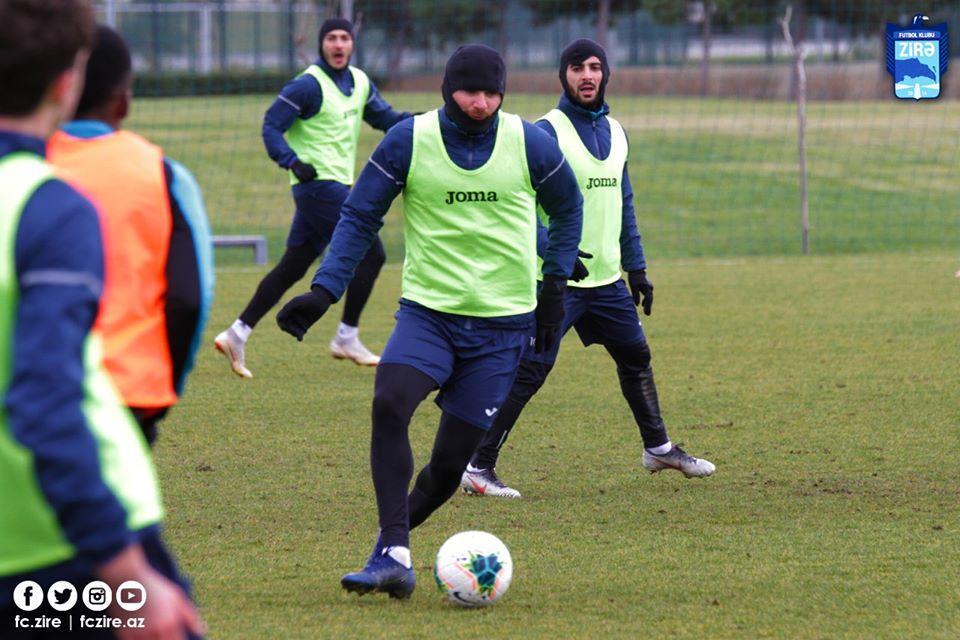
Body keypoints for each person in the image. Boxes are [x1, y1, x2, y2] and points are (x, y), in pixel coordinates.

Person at [275, 45, 583, 598]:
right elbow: (360, 216)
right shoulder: (409, 140)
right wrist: (324, 291)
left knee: (445, 471)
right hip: (429, 316)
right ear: (446, 89)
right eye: (470, 92)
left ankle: (389, 550)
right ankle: (395, 553)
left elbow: (567, 208)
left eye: (491, 93)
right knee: (390, 402)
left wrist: (554, 287)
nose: (481, 103)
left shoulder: (529, 142)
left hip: (503, 328)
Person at [0, 2, 203, 637]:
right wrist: (122, 569)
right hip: (57, 540)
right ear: (68, 80)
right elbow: (44, 403)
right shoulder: (48, 207)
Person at [461, 39, 716, 499]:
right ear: (564, 75)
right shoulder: (545, 132)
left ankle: (658, 448)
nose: (587, 75)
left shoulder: (617, 132)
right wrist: (552, 251)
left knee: (636, 357)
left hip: (607, 282)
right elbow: (517, 207)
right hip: (554, 282)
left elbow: (624, 203)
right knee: (530, 371)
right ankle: (478, 466)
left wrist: (636, 269)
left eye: (595, 67)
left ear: (605, 74)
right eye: (577, 67)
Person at [215, 17, 412, 376]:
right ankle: (346, 336)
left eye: (344, 38)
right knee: (372, 253)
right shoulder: (307, 85)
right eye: (331, 38)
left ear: (352, 44)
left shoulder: (360, 82)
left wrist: (426, 121)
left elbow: (386, 119)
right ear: (322, 44)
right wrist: (291, 160)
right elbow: (271, 125)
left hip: (336, 187)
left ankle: (236, 333)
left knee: (293, 265)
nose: (338, 44)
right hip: (317, 186)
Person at [48, 25, 214, 447]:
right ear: (123, 100)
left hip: (32, 393)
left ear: (57, 89)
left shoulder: (21, 167)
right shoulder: (164, 176)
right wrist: (164, 386)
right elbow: (190, 298)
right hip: (128, 395)